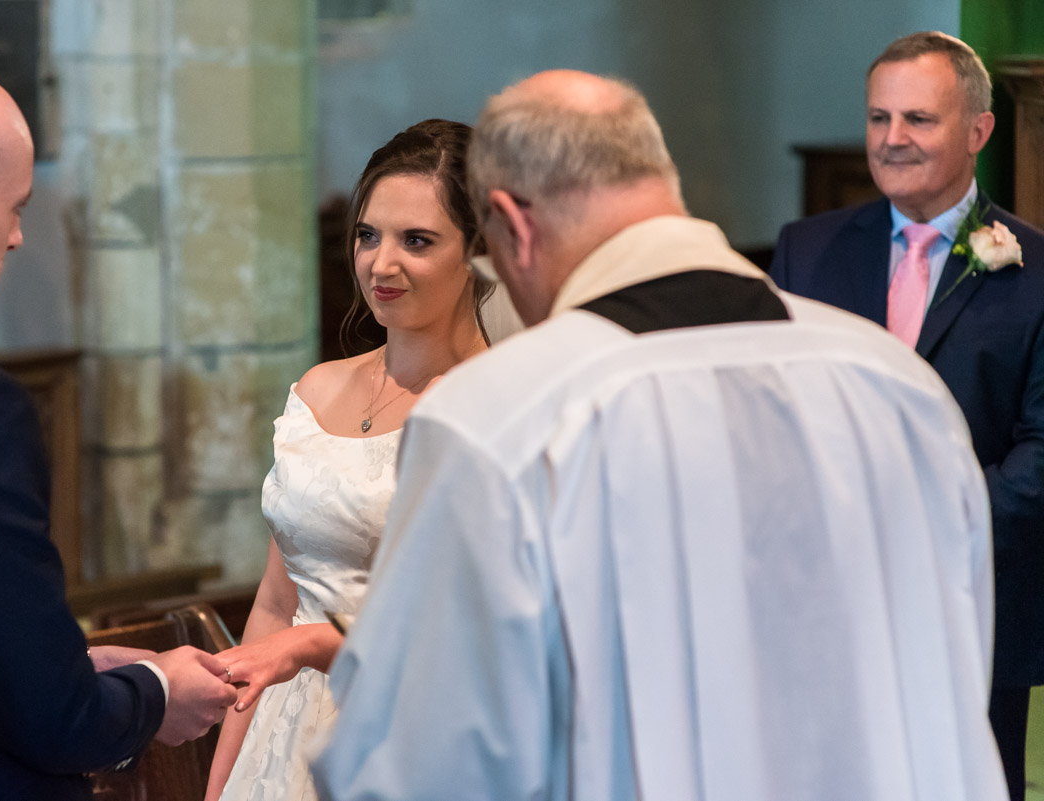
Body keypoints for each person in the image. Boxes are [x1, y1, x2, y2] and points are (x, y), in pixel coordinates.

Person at [310, 69, 1010, 801]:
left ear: (512, 226)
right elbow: (960, 668)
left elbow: (413, 767)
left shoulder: (504, 417)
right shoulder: (897, 384)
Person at [0, 50, 239, 801]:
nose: (18, 237)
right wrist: (157, 690)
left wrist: (60, 661)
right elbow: (54, 722)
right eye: (15, 206)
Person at [768, 31, 1044, 800]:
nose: (892, 140)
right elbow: (769, 410)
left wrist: (935, 518)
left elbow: (1042, 446)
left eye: (918, 119)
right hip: (826, 584)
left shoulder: (1036, 271)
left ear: (979, 131)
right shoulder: (805, 251)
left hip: (971, 592)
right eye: (878, 118)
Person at [204, 119, 494, 801]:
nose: (380, 264)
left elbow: (462, 627)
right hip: (286, 725)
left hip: (413, 731)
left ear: (478, 251)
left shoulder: (494, 405)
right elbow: (276, 605)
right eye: (369, 234)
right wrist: (221, 782)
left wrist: (310, 647)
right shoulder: (316, 387)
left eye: (416, 241)